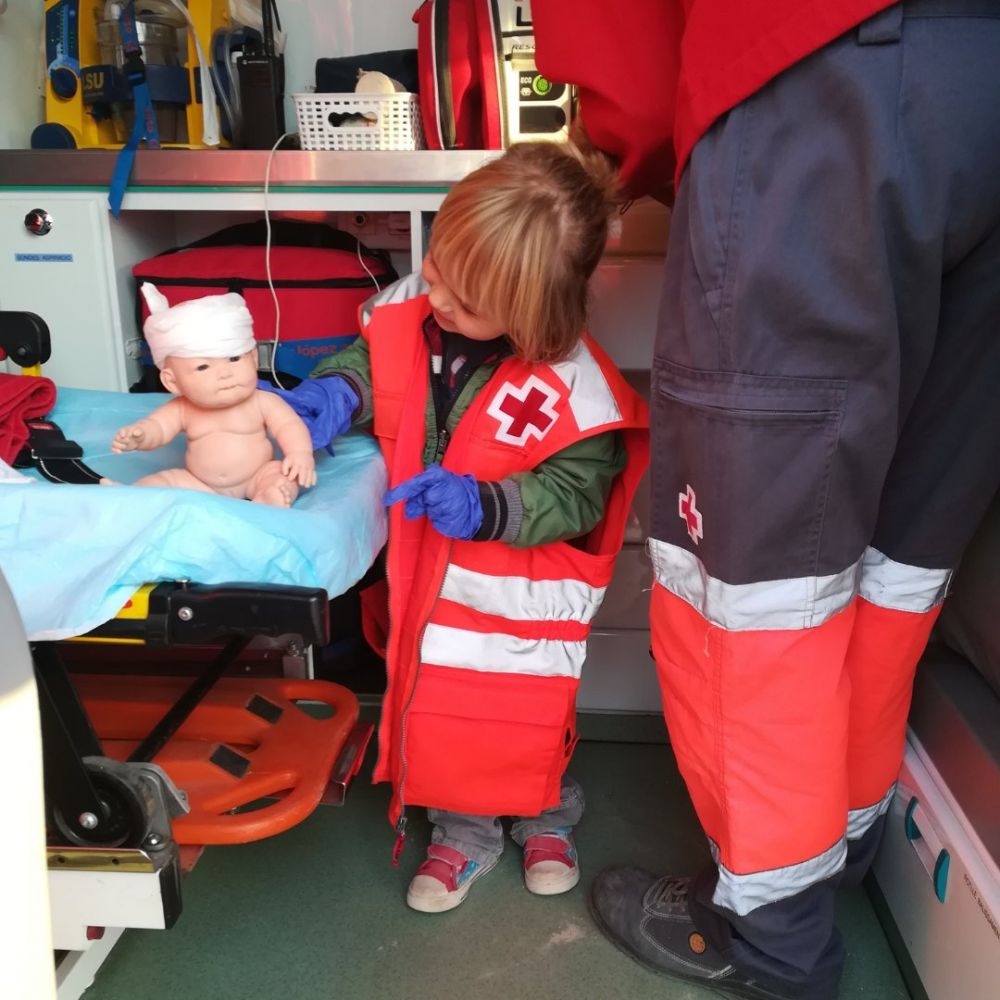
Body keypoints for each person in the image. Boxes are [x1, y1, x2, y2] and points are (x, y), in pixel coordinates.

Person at [533, 1, 1000, 998]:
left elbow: (622, 66)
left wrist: (628, 140)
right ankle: (842, 847)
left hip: (821, 66)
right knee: (900, 555)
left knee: (748, 593)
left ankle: (772, 941)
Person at [263, 142, 649, 913]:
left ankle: (544, 812)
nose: (436, 296)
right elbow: (373, 359)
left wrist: (490, 505)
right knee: (439, 709)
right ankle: (462, 830)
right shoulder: (414, 309)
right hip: (425, 586)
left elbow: (578, 491)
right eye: (434, 267)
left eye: (463, 298)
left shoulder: (576, 388)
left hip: (520, 605)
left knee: (531, 715)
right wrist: (339, 392)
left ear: (533, 314)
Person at [107, 283, 316, 506]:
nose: (225, 373)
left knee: (282, 474)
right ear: (172, 381)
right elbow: (158, 427)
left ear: (254, 359)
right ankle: (132, 497)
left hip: (257, 475)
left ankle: (270, 496)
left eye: (234, 359)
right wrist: (141, 435)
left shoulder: (263, 402)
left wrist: (300, 453)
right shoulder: (181, 408)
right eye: (203, 367)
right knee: (166, 480)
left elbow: (289, 425)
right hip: (200, 484)